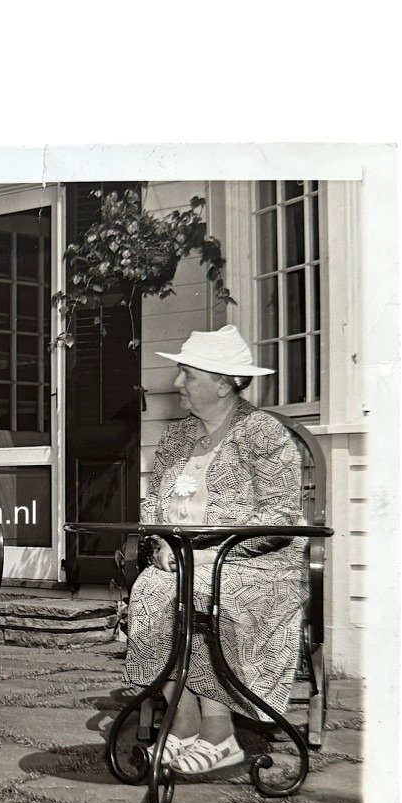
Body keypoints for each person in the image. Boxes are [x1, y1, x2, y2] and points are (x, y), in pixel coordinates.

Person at [126, 325, 306, 774]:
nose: (177, 384)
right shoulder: (177, 437)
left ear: (224, 383)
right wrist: (164, 541)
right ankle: (183, 727)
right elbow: (153, 504)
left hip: (259, 566)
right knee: (152, 589)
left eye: (187, 374)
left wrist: (211, 555)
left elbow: (279, 518)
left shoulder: (263, 434)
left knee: (203, 592)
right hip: (187, 561)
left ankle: (220, 735)